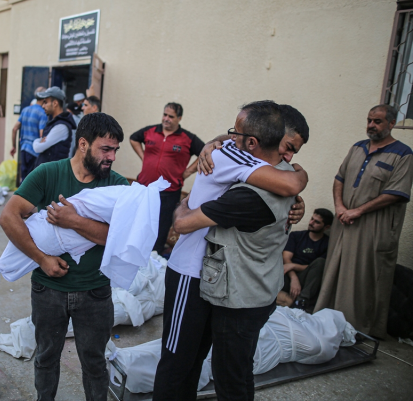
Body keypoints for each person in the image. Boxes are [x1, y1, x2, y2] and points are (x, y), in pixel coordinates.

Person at [152, 101, 307, 401]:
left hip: (212, 277)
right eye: (288, 147)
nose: (288, 156)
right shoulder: (234, 156)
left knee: (194, 360)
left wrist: (298, 192)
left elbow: (286, 185)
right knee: (177, 361)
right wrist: (301, 176)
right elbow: (290, 183)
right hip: (189, 271)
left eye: (235, 132)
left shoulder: (247, 158)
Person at [0, 113, 127, 401]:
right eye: (105, 149)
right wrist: (42, 259)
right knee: (45, 357)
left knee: (95, 364)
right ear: (83, 144)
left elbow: (120, 239)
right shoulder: (48, 173)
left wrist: (74, 221)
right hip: (48, 290)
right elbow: (8, 217)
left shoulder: (117, 186)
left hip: (95, 291)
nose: (112, 157)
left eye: (115, 150)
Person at [315, 105, 413, 339]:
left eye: (377, 121)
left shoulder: (402, 154)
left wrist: (358, 211)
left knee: (364, 276)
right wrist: (339, 206)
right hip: (344, 220)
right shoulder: (357, 148)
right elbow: (339, 178)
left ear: (391, 124)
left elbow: (396, 194)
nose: (371, 125)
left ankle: (358, 328)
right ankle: (326, 319)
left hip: (374, 226)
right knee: (335, 271)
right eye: (369, 120)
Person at [130, 102, 205, 254]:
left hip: (169, 191)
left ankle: (155, 255)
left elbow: (205, 153)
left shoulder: (187, 138)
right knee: (139, 221)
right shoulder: (150, 131)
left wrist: (188, 171)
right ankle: (135, 250)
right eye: (165, 114)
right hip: (145, 187)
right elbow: (133, 138)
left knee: (161, 225)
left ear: (179, 118)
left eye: (171, 116)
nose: (166, 119)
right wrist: (143, 157)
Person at [277, 208, 333, 311]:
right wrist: (294, 278)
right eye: (312, 219)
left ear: (326, 227)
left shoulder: (327, 243)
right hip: (289, 276)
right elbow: (286, 258)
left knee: (321, 263)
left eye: (317, 222)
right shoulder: (296, 236)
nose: (311, 222)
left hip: (308, 280)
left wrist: (293, 265)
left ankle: (301, 301)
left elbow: (318, 268)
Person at [10, 87, 47, 181]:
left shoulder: (25, 110)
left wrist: (14, 146)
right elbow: (41, 135)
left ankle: (21, 195)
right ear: (44, 98)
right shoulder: (42, 113)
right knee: (31, 179)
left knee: (24, 176)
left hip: (23, 148)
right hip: (34, 151)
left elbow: (14, 129)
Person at [33, 87, 77, 167]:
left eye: (46, 102)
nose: (43, 106)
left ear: (55, 103)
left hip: (53, 176)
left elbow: (38, 148)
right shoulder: (55, 123)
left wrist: (36, 141)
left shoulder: (61, 126)